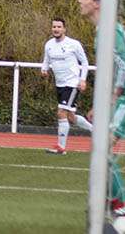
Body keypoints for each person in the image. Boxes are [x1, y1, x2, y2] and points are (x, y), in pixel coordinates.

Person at [79, 0, 125, 219]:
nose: (80, 1)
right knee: (100, 146)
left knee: (101, 146)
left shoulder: (106, 30)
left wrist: (112, 97)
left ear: (96, 3)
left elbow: (123, 65)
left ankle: (122, 202)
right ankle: (113, 199)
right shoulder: (105, 29)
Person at [40, 17, 93, 155]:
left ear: (64, 29)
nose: (56, 29)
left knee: (61, 112)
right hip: (60, 84)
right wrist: (44, 68)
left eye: (59, 27)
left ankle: (61, 147)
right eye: (54, 27)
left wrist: (83, 80)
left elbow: (85, 62)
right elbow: (46, 59)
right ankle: (96, 132)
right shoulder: (49, 44)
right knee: (71, 117)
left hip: (72, 84)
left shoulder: (73, 44)